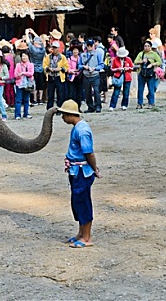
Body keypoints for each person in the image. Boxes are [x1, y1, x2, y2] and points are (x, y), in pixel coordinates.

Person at [58, 99, 102, 248]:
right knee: (77, 202)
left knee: (83, 202)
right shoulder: (77, 127)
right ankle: (81, 233)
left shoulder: (81, 131)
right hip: (76, 171)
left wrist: (94, 168)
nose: (63, 118)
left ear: (70, 115)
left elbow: (89, 152)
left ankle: (87, 238)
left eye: (64, 115)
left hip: (82, 172)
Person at [134, 41, 162, 108]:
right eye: (145, 46)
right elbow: (135, 61)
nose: (146, 47)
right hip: (142, 73)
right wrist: (141, 61)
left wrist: (152, 64)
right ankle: (139, 103)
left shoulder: (154, 54)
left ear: (151, 47)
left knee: (151, 89)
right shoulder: (141, 54)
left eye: (148, 46)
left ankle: (151, 103)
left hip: (150, 73)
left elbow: (159, 62)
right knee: (140, 89)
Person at [79, 39, 103, 113]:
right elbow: (79, 65)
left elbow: (101, 64)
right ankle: (90, 107)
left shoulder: (97, 53)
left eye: (90, 45)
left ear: (93, 46)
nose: (89, 47)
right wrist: (83, 66)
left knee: (96, 91)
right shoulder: (82, 55)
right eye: (88, 45)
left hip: (95, 75)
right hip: (86, 75)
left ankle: (98, 106)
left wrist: (95, 68)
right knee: (87, 92)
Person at [43, 41, 68, 109]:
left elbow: (66, 67)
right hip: (51, 77)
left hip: (59, 77)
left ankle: (60, 107)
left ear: (58, 48)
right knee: (50, 94)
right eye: (53, 48)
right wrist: (48, 68)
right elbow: (44, 65)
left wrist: (60, 69)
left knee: (60, 94)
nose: (54, 49)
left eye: (55, 48)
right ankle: (49, 108)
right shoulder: (48, 57)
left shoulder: (63, 57)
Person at [109, 47, 134, 111]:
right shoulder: (115, 60)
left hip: (127, 77)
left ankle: (124, 105)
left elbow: (132, 67)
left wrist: (127, 68)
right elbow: (112, 68)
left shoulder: (128, 59)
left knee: (126, 92)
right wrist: (118, 69)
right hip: (118, 76)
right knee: (116, 92)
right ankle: (112, 106)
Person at [27, 33, 47, 105]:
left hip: (34, 69)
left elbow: (28, 42)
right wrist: (34, 32)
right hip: (41, 68)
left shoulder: (33, 49)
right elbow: (42, 41)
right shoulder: (43, 50)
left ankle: (35, 99)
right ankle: (40, 99)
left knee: (34, 84)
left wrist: (27, 33)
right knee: (40, 85)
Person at [14, 52, 34, 120]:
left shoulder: (30, 65)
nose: (24, 57)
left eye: (25, 56)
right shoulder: (18, 65)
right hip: (19, 84)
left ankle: (26, 113)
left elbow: (31, 73)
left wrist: (23, 73)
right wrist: (22, 75)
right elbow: (16, 75)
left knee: (26, 100)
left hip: (28, 84)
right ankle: (17, 114)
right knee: (18, 100)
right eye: (23, 56)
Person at [66, 43, 83, 111]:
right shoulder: (69, 59)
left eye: (76, 50)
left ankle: (78, 107)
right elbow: (67, 68)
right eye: (74, 50)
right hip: (71, 78)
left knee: (79, 94)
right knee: (71, 93)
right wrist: (72, 71)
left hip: (79, 77)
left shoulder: (81, 58)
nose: (75, 51)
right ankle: (71, 108)